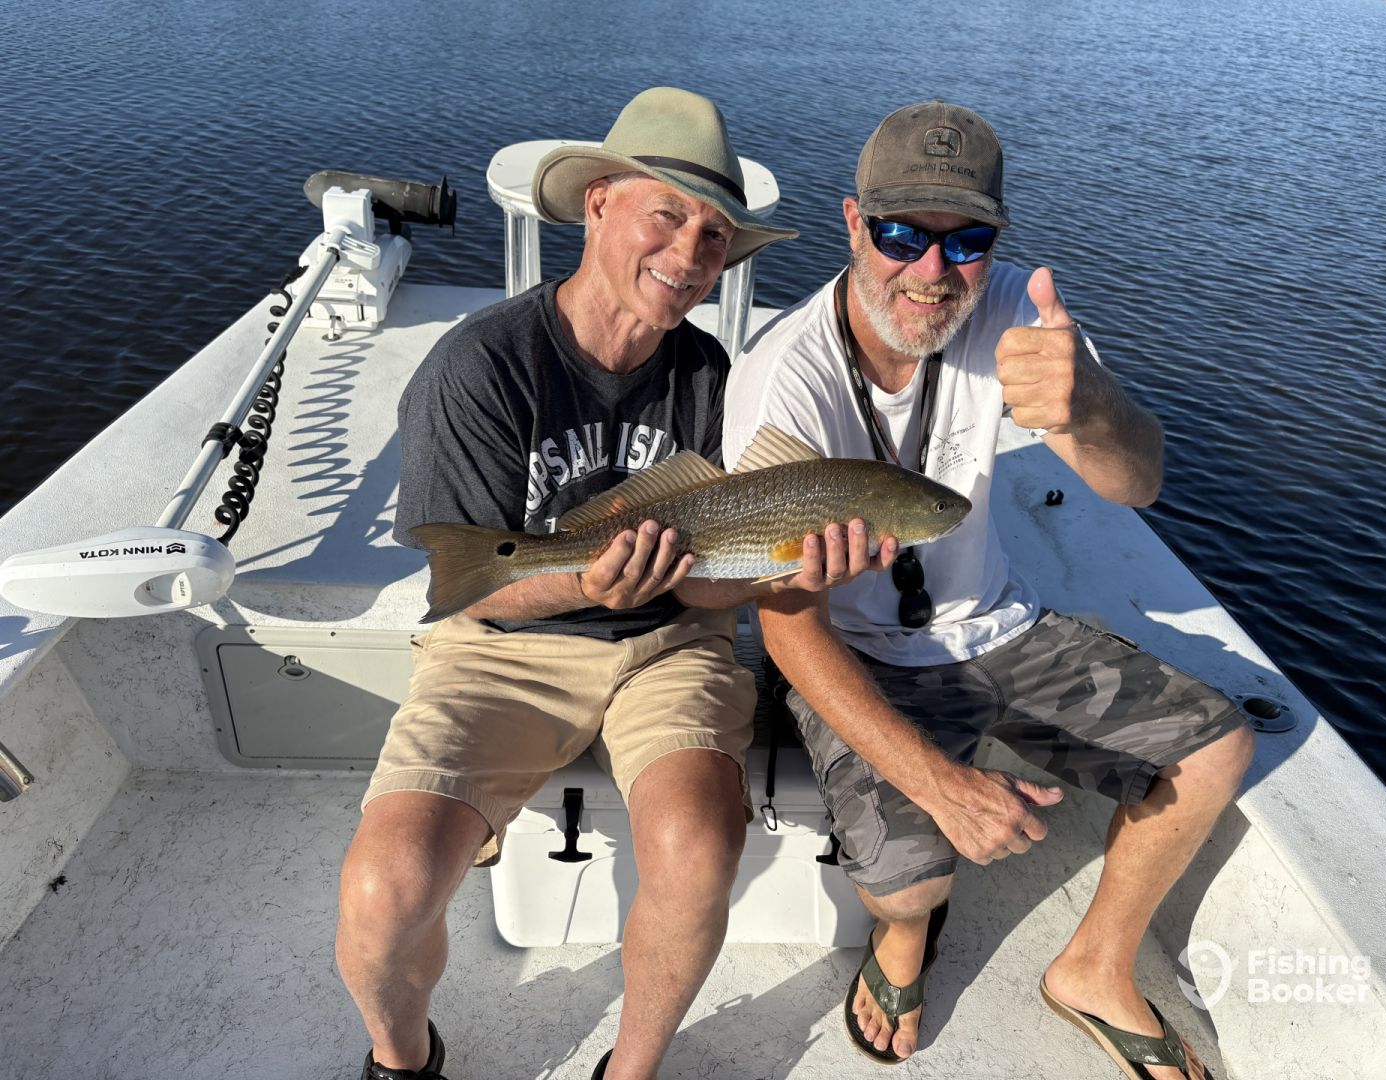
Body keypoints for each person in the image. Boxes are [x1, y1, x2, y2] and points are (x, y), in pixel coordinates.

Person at [336, 87, 893, 1080]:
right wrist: (590, 580)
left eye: (715, 235)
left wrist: (782, 573)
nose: (689, 254)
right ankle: (402, 1057)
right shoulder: (480, 367)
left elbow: (707, 585)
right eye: (666, 215)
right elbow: (469, 587)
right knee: (385, 887)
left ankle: (629, 1072)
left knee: (697, 845)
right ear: (597, 204)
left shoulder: (713, 375)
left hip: (667, 647)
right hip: (502, 649)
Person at [723, 100, 1255, 1079]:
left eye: (966, 240)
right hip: (864, 660)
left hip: (1006, 630)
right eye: (902, 235)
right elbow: (789, 629)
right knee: (907, 886)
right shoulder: (782, 379)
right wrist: (942, 786)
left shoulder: (1017, 312)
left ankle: (1093, 967)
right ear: (853, 224)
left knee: (1218, 752)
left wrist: (1090, 405)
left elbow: (1137, 483)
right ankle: (903, 939)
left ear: (995, 244)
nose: (933, 270)